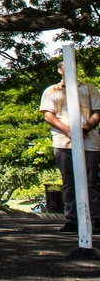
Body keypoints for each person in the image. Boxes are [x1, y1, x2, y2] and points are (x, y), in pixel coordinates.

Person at [40, 60, 100, 232]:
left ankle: (96, 219)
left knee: (91, 182)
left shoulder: (89, 89)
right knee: (68, 182)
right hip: (63, 141)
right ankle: (72, 220)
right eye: (66, 67)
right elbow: (48, 115)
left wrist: (85, 128)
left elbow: (97, 112)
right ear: (60, 70)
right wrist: (68, 130)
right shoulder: (52, 91)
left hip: (89, 141)